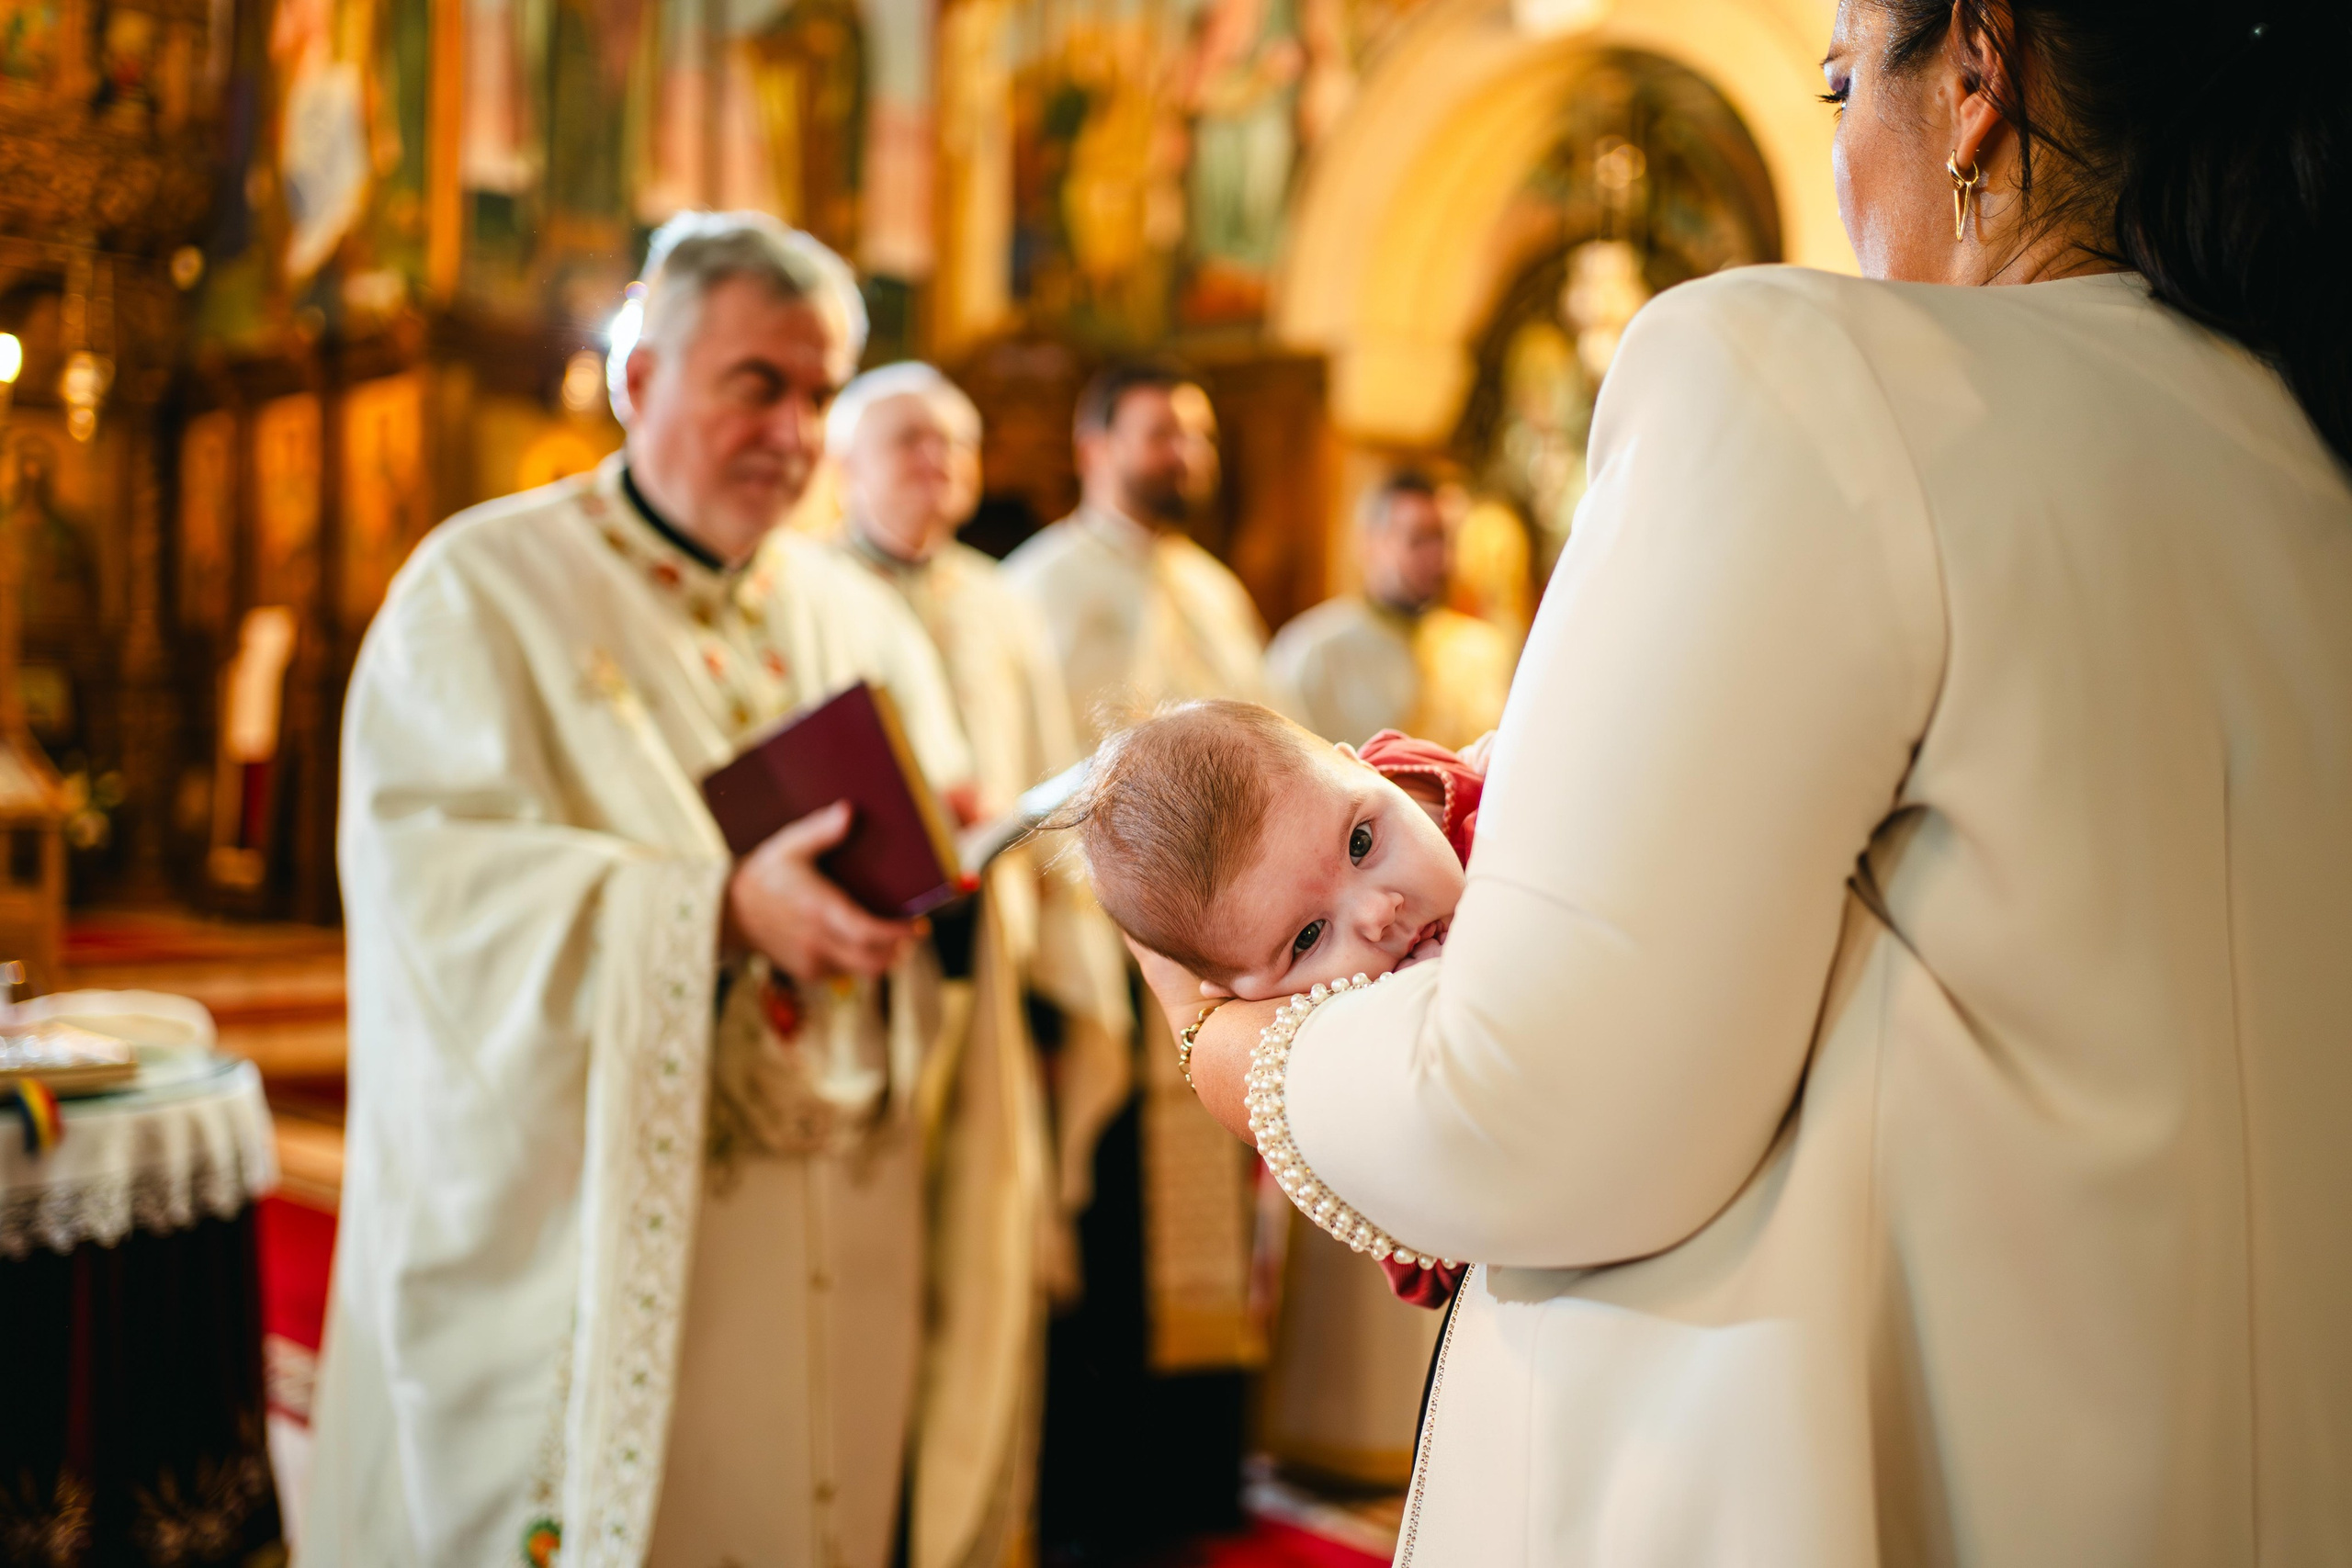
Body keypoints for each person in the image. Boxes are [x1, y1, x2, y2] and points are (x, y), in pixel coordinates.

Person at [1155, 0, 2352, 1561]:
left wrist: (1241, 1046)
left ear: (1976, 76)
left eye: (1844, 81)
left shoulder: (1811, 376)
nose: (1847, 151)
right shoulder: (2300, 460)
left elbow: (1540, 1110)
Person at [311, 213, 978, 1568]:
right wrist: (715, 912)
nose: (795, 431)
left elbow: (942, 823)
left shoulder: (857, 615)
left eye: (817, 392)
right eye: (757, 383)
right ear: (638, 377)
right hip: (618, 1236)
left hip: (832, 1198)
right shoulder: (480, 591)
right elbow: (432, 888)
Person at [824, 362, 1136, 1568]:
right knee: (861, 1253)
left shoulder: (998, 600)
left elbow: (1053, 773)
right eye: (909, 443)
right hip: (858, 964)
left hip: (989, 959)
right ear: (845, 461)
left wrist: (1075, 972)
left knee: (979, 1250)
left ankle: (959, 1525)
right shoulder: (807, 589)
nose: (937, 468)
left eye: (955, 448)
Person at [1001, 363, 1270, 1552]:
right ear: (1094, 439)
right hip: (1098, 963)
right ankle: (1099, 1500)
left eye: (1198, 432)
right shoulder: (1036, 590)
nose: (1187, 452)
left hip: (1220, 960)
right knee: (1112, 1236)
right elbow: (1027, 780)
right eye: (1166, 430)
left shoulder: (1216, 593)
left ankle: (1193, 1479)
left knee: (1203, 1232)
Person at [1267, 471, 1515, 751]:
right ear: (1371, 542)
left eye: (1445, 540)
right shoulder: (1310, 651)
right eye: (1419, 539)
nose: (1439, 559)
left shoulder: (1481, 650)